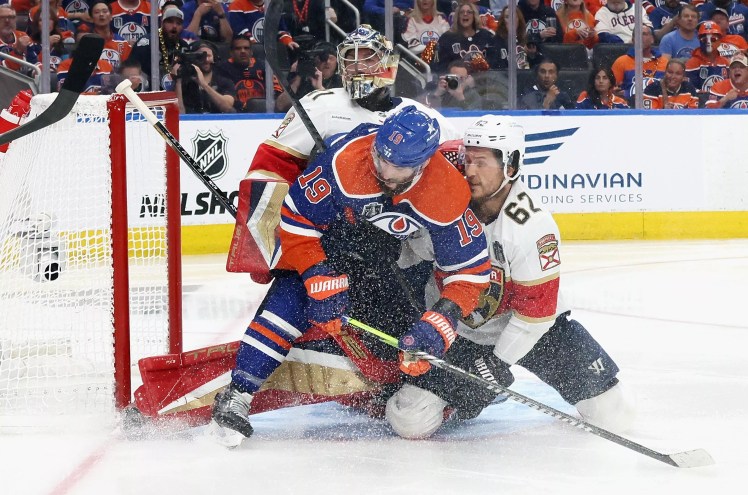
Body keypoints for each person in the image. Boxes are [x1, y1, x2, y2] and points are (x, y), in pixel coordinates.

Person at [210, 106, 492, 444]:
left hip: (390, 269)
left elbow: (471, 270)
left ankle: (400, 390)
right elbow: (296, 221)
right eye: (380, 157)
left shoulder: (446, 191)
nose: (384, 171)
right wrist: (316, 275)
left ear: (423, 164)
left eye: (397, 166)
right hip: (329, 250)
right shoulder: (343, 160)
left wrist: (443, 319)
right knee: (288, 304)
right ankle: (239, 393)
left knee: (411, 344)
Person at [384, 115, 636, 439]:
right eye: (467, 160)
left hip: (537, 333)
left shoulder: (531, 226)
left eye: (482, 162)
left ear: (511, 166)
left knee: (614, 415)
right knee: (408, 420)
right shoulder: (444, 202)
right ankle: (459, 402)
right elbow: (414, 256)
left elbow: (535, 316)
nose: (470, 171)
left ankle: (481, 385)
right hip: (461, 329)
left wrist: (498, 364)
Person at [228, 24, 460, 284]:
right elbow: (270, 168)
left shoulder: (422, 118)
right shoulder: (321, 106)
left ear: (390, 64)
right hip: (330, 248)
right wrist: (263, 246)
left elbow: (452, 177)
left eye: (368, 58)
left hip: (403, 251)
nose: (358, 67)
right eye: (350, 58)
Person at [126, 5, 198, 91]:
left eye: (178, 23)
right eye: (170, 22)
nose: (174, 26)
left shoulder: (183, 46)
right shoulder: (146, 43)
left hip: (175, 93)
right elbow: (131, 69)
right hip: (146, 92)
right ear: (162, 22)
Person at [214, 32, 286, 113]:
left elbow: (277, 93)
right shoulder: (223, 68)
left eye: (246, 48)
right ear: (231, 53)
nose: (242, 51)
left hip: (264, 112)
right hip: (237, 113)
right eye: (238, 48)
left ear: (251, 52)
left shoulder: (264, 67)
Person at [431, 0, 493, 74]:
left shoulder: (486, 36)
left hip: (483, 81)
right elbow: (441, 67)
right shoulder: (447, 38)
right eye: (461, 12)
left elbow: (494, 63)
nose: (465, 14)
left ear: (474, 16)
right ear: (457, 16)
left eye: (469, 12)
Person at [175, 39, 236, 113]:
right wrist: (178, 80)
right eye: (201, 56)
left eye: (209, 56)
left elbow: (227, 108)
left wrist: (204, 85)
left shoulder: (224, 82)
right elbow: (179, 114)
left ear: (215, 58)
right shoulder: (184, 83)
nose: (206, 60)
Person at [611, 25, 667, 103]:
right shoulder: (621, 61)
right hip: (630, 108)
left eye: (644, 34)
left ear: (652, 39)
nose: (640, 37)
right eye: (637, 34)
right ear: (633, 40)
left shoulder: (665, 62)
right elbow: (611, 89)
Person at [78, 1, 132, 70]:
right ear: (91, 19)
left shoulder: (123, 43)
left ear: (111, 16)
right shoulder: (87, 42)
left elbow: (127, 69)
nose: (101, 14)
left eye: (105, 11)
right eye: (97, 12)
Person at [685, 21, 729, 95]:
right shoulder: (692, 63)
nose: (708, 42)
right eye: (705, 40)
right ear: (699, 41)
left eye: (713, 39)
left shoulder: (725, 62)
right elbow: (688, 88)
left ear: (719, 41)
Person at [488, 5, 530, 70]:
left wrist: (530, 55)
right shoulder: (495, 41)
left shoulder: (527, 39)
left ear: (519, 19)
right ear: (503, 21)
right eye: (507, 17)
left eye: (514, 16)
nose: (511, 20)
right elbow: (495, 67)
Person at [0, 4, 31, 72]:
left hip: (26, 81)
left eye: (11, 17)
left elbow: (35, 62)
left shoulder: (23, 35)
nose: (7, 21)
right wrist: (18, 52)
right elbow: (3, 72)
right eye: (2, 17)